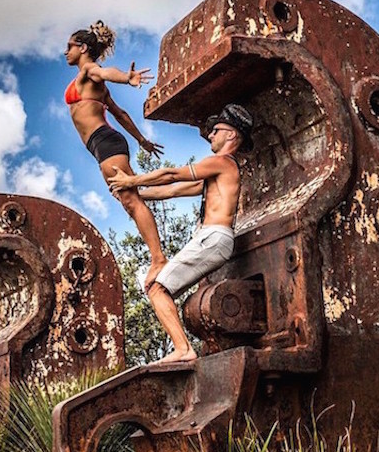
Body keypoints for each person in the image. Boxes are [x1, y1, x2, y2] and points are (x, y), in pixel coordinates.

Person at [108, 104, 254, 363]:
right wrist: (132, 195)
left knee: (156, 288)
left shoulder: (222, 163)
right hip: (211, 239)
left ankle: (183, 350)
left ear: (231, 135)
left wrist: (131, 181)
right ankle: (182, 348)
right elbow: (173, 191)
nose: (210, 135)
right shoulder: (218, 175)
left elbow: (172, 175)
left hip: (214, 237)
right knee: (155, 288)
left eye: (216, 130)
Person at [65, 20, 167, 288]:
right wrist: (142, 140)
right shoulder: (89, 82)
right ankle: (173, 189)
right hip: (102, 145)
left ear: (83, 47)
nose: (66, 52)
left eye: (69, 47)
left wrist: (126, 77)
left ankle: (158, 259)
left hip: (105, 141)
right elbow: (119, 114)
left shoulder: (89, 70)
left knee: (131, 200)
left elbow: (105, 72)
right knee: (128, 200)